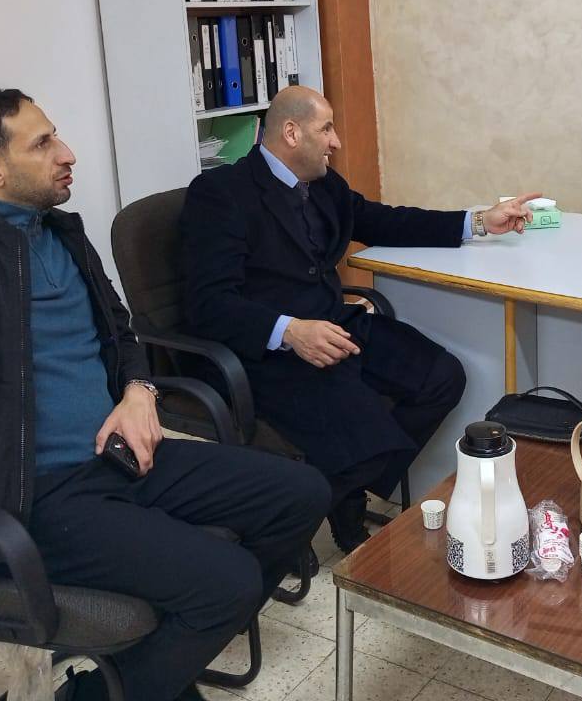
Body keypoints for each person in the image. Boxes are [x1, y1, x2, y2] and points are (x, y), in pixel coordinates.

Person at [0, 87, 329, 701]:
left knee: (300, 493)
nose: (67, 153)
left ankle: (162, 657)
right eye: (43, 143)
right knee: (226, 581)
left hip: (117, 459)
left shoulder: (63, 233)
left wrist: (138, 393)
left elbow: (120, 332)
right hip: (25, 495)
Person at [181, 85, 538, 552]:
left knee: (442, 377)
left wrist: (477, 222)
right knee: (375, 440)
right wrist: (289, 330)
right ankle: (312, 518)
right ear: (291, 133)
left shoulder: (323, 184)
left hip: (338, 325)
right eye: (326, 129)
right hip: (271, 353)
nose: (336, 142)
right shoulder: (221, 194)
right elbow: (208, 303)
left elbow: (385, 220)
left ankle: (330, 496)